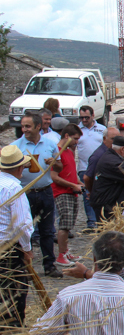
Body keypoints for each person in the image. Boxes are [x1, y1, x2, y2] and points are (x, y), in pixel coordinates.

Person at [11, 110, 63, 277]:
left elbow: (60, 167)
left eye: (28, 126)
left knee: (47, 231)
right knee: (24, 230)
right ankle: (24, 265)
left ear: (38, 126)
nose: (24, 129)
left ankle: (49, 265)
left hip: (45, 191)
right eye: (23, 126)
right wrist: (20, 166)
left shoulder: (50, 144)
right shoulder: (15, 146)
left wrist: (54, 163)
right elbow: (7, 171)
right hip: (24, 192)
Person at [0, 145, 34, 335]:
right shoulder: (14, 188)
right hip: (8, 251)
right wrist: (27, 249)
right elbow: (22, 225)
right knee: (14, 295)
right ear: (20, 168)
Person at [51, 123, 83, 267]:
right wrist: (73, 185)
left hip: (71, 191)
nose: (76, 142)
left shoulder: (69, 151)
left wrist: (79, 183)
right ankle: (61, 255)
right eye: (75, 138)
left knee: (69, 224)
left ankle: (65, 251)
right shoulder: (56, 152)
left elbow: (71, 173)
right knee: (64, 225)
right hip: (62, 192)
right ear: (66, 136)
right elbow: (54, 177)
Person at [90, 135, 124, 222]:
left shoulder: (111, 157)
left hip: (108, 202)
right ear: (122, 149)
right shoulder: (112, 161)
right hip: (106, 205)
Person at [77, 105, 107, 230]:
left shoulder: (102, 129)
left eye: (87, 117)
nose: (84, 120)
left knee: (100, 194)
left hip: (99, 168)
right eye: (82, 117)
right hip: (84, 167)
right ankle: (91, 222)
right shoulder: (78, 130)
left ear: (93, 116)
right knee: (87, 195)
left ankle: (101, 220)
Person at [83, 127, 121, 200]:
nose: (116, 142)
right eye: (113, 139)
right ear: (104, 139)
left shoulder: (113, 152)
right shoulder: (98, 156)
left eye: (118, 139)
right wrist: (93, 192)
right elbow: (87, 178)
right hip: (101, 198)